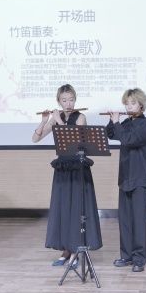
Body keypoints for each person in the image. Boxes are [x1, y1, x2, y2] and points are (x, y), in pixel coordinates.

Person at [32, 84, 102, 266]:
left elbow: (74, 140)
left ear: (75, 100)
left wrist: (58, 120)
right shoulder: (56, 118)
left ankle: (76, 251)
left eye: (71, 99)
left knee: (77, 209)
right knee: (63, 209)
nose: (68, 103)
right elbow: (35, 138)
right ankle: (66, 250)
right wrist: (44, 121)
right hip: (63, 166)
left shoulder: (81, 117)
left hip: (78, 166)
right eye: (64, 100)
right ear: (59, 101)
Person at [106, 88, 146, 273]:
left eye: (132, 103)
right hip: (125, 177)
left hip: (140, 178)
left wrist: (117, 122)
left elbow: (128, 140)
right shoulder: (126, 122)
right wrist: (112, 121)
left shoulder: (145, 124)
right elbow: (111, 134)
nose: (128, 106)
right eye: (126, 103)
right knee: (125, 220)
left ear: (141, 105)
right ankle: (126, 256)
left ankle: (139, 259)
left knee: (139, 221)